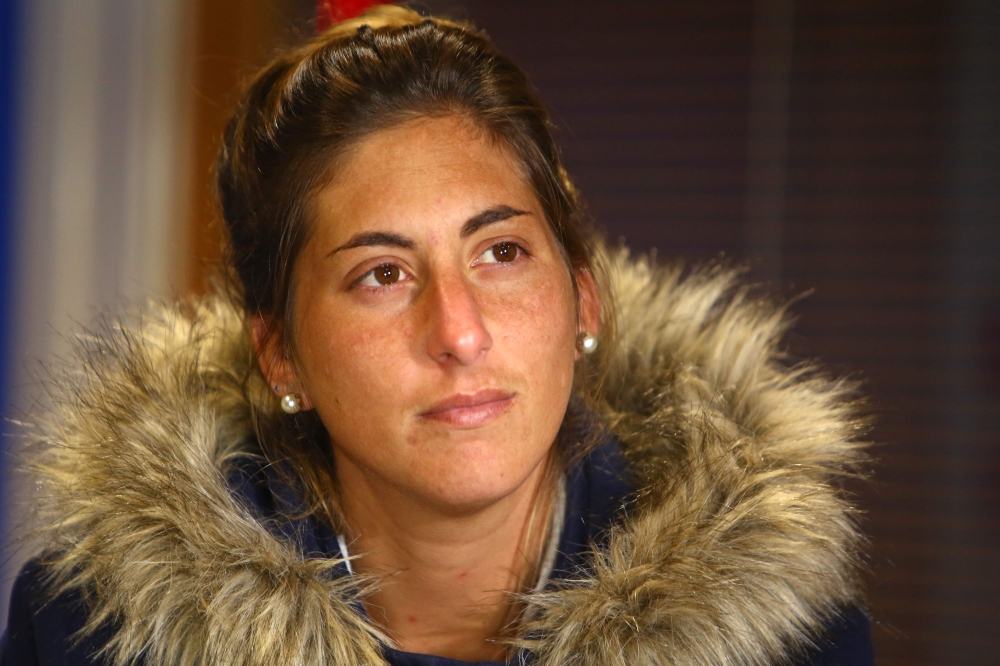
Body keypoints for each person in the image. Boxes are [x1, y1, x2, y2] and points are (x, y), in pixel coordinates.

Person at [0, 6, 874, 665]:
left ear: (582, 302)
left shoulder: (787, 640)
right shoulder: (91, 629)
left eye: (500, 252)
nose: (457, 332)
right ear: (281, 355)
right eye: (382, 274)